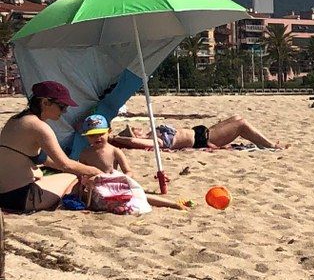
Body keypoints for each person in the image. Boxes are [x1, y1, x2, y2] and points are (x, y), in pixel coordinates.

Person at [1, 82, 106, 213]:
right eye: (62, 107)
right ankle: (67, 206)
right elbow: (65, 165)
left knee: (74, 172)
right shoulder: (39, 127)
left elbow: (44, 159)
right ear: (45, 103)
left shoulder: (15, 120)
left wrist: (80, 168)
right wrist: (97, 172)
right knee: (72, 177)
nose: (65, 111)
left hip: (4, 195)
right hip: (22, 197)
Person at [113, 115, 277, 151]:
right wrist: (114, 138)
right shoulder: (155, 142)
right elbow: (133, 143)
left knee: (236, 117)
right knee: (242, 124)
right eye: (133, 131)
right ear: (135, 136)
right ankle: (271, 145)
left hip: (201, 131)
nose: (136, 128)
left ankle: (265, 142)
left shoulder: (152, 134)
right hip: (203, 138)